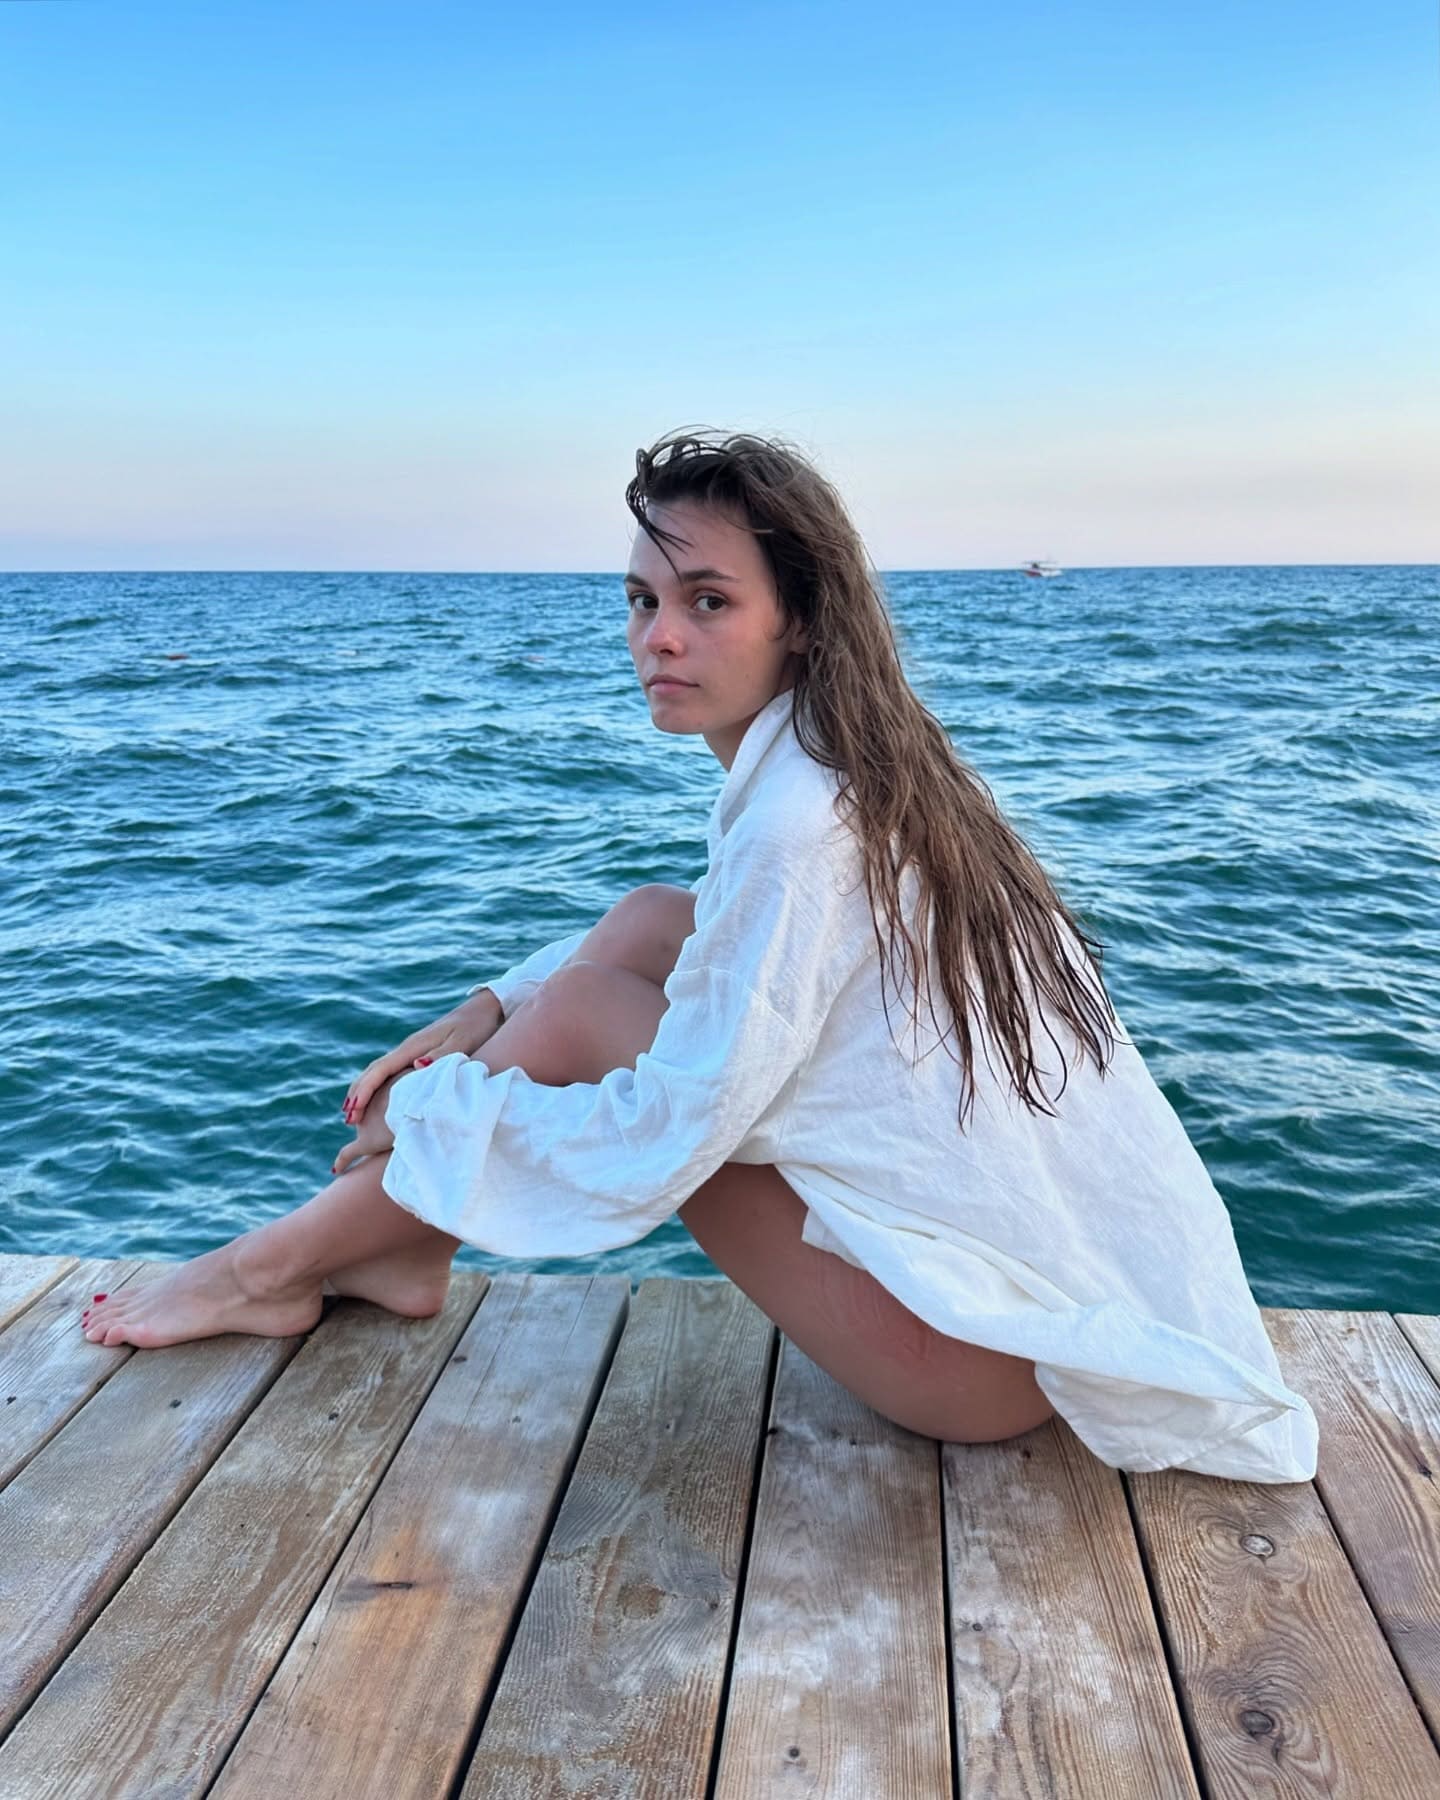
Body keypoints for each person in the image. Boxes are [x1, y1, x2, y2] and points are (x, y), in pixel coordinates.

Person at [82, 429, 1318, 1480]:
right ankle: (401, 1243)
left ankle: (267, 1268)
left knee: (585, 1014)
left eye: (707, 602)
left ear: (801, 620)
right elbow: (684, 937)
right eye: (642, 601)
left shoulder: (799, 825)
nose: (658, 637)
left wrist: (432, 1111)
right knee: (640, 923)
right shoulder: (861, 765)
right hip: (1027, 1320)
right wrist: (484, 1008)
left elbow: (661, 1140)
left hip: (969, 1371)